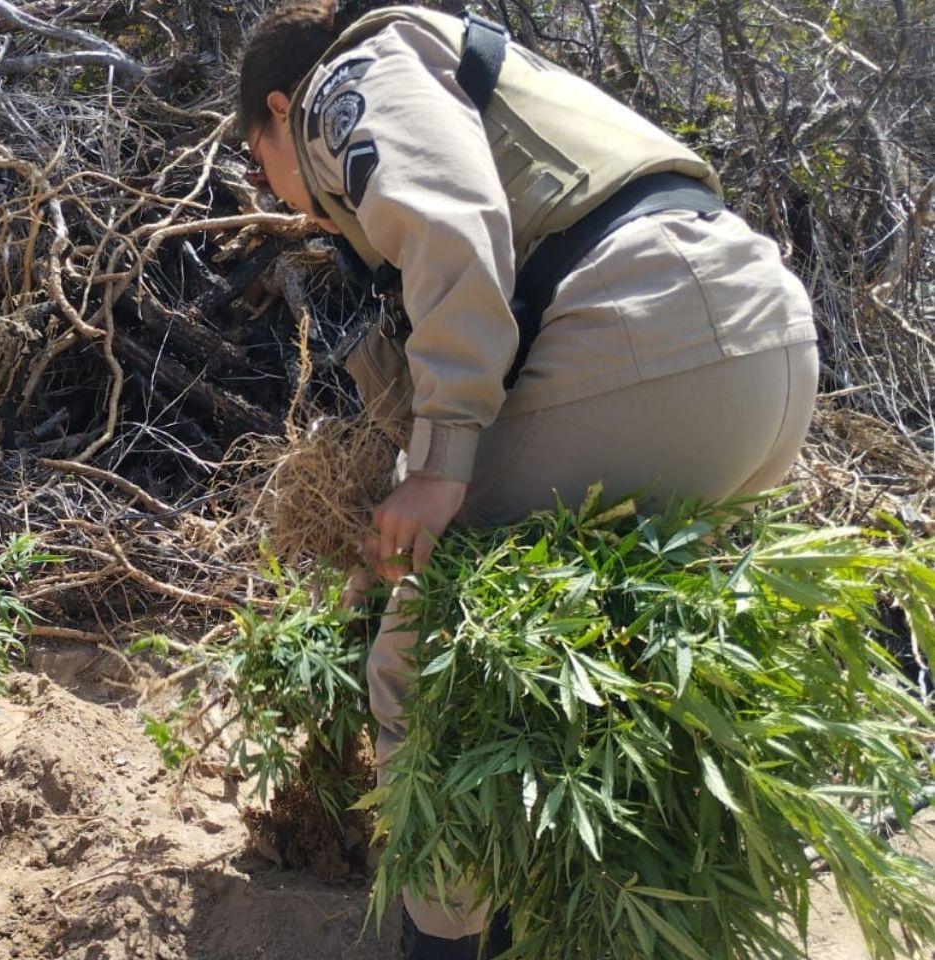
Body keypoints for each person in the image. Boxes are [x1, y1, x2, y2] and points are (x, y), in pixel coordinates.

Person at [237, 1, 819, 957]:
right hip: (763, 346)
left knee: (427, 660)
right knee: (615, 660)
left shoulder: (342, 82)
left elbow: (452, 224)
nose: (275, 188)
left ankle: (447, 947)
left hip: (649, 339)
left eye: (259, 161)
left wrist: (440, 467)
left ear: (277, 108)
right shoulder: (452, 67)